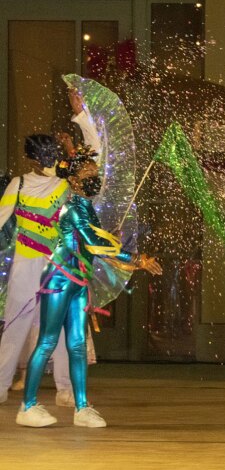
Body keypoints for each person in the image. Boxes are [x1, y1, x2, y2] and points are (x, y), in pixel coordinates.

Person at [15, 146, 162, 428]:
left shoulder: (87, 208)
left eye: (95, 173)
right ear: (73, 179)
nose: (94, 177)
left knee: (78, 344)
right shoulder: (72, 208)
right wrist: (136, 259)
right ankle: (28, 406)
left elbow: (97, 243)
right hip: (59, 279)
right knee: (47, 341)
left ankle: (82, 408)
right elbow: (96, 244)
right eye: (87, 173)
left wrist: (113, 243)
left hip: (79, 280)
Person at [0, 87, 101, 407]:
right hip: (51, 268)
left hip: (39, 267)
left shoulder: (32, 184)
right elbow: (93, 156)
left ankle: (61, 388)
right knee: (49, 329)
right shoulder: (59, 186)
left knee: (23, 329)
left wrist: (83, 117)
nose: (52, 159)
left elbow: (93, 158)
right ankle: (63, 389)